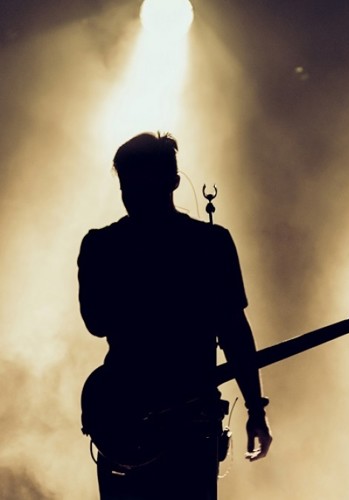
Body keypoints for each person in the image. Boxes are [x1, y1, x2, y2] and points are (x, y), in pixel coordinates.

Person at [77, 132, 272, 499]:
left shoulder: (101, 246)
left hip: (133, 421)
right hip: (172, 427)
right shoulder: (210, 244)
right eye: (127, 185)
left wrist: (256, 407)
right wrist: (254, 409)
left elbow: (96, 321)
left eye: (138, 183)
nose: (132, 195)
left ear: (173, 182)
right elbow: (234, 334)